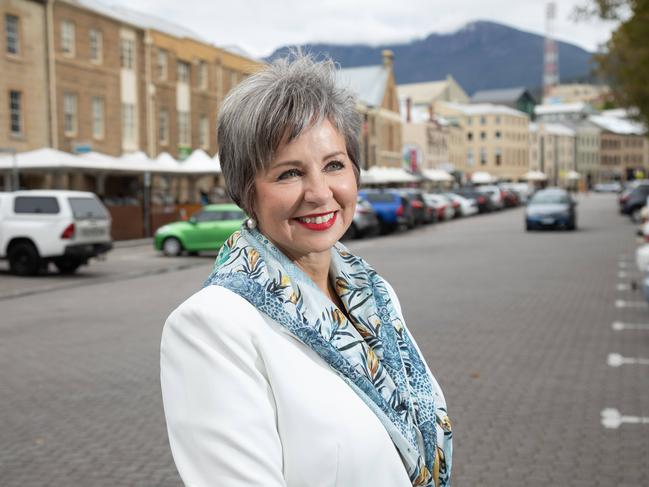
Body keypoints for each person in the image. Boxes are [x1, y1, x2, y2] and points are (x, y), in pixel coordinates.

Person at [160, 54, 452, 487]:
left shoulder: (373, 295)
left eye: (334, 165)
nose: (319, 193)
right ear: (246, 191)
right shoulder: (212, 326)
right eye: (289, 173)